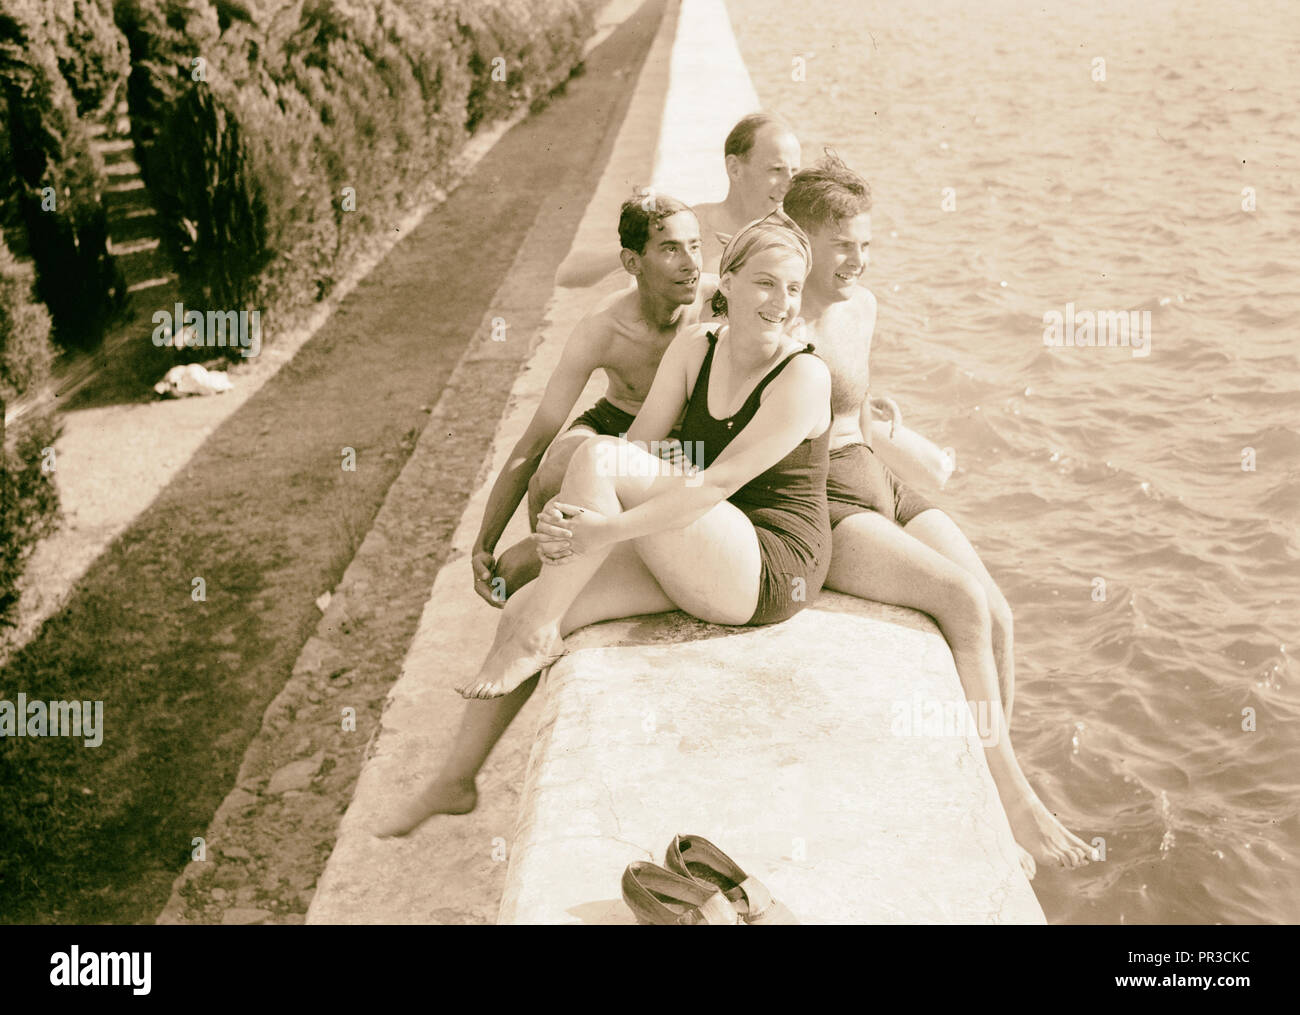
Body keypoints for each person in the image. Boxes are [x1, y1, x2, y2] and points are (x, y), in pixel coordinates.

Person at [375, 212, 832, 836]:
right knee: (527, 601)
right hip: (697, 542)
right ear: (725, 282)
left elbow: (716, 483)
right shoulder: (697, 348)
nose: (781, 303)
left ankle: (538, 637)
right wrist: (574, 526)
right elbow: (642, 448)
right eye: (765, 283)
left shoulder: (804, 375)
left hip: (765, 567)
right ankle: (455, 780)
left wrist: (599, 532)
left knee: (594, 456)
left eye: (793, 288)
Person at [780, 153, 1096, 874]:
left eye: (867, 243)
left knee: (1001, 613)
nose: (858, 260)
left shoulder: (863, 306)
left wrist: (891, 426)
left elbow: (854, 403)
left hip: (878, 478)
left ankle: (993, 776)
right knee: (958, 602)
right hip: (826, 500)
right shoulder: (777, 316)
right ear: (800, 238)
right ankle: (1012, 803)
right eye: (842, 245)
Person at [473, 194, 709, 606]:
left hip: (684, 438)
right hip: (616, 422)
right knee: (551, 472)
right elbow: (536, 439)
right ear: (632, 263)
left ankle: (558, 576)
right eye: (671, 248)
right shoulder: (604, 328)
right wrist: (483, 544)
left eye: (695, 245)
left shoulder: (716, 304)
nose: (691, 263)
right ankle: (552, 575)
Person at [552, 112, 800, 290]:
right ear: (735, 169)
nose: (789, 183)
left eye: (794, 171)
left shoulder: (798, 238)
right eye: (776, 169)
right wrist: (643, 248)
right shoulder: (690, 226)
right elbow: (568, 274)